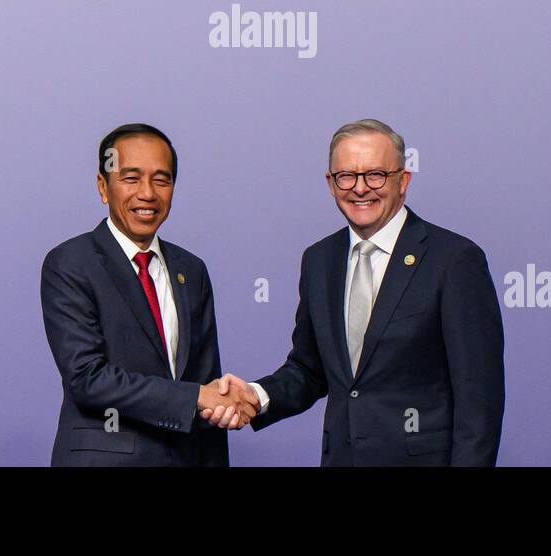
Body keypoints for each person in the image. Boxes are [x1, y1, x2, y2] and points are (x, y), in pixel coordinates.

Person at [206, 119, 505, 465]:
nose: (360, 188)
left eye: (375, 174)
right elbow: (309, 369)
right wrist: (256, 396)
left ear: (403, 180)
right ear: (330, 184)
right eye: (346, 176)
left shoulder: (453, 260)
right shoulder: (319, 260)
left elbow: (478, 400)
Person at [41, 123, 258, 466]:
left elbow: (205, 384)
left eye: (162, 179)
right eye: (131, 178)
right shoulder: (70, 263)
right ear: (103, 186)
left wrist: (216, 403)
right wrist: (196, 397)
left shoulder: (192, 269)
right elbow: (88, 378)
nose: (147, 193)